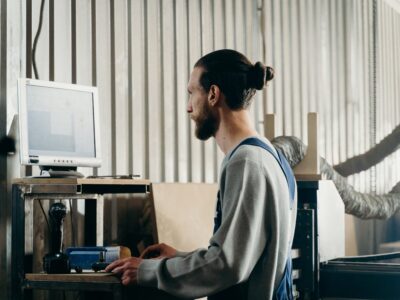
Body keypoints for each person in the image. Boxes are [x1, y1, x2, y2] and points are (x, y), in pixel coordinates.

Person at [106, 49, 297, 300]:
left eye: (191, 93)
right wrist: (179, 258)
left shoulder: (247, 162)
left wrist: (148, 271)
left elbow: (228, 266)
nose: (188, 107)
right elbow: (244, 255)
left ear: (213, 94)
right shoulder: (269, 155)